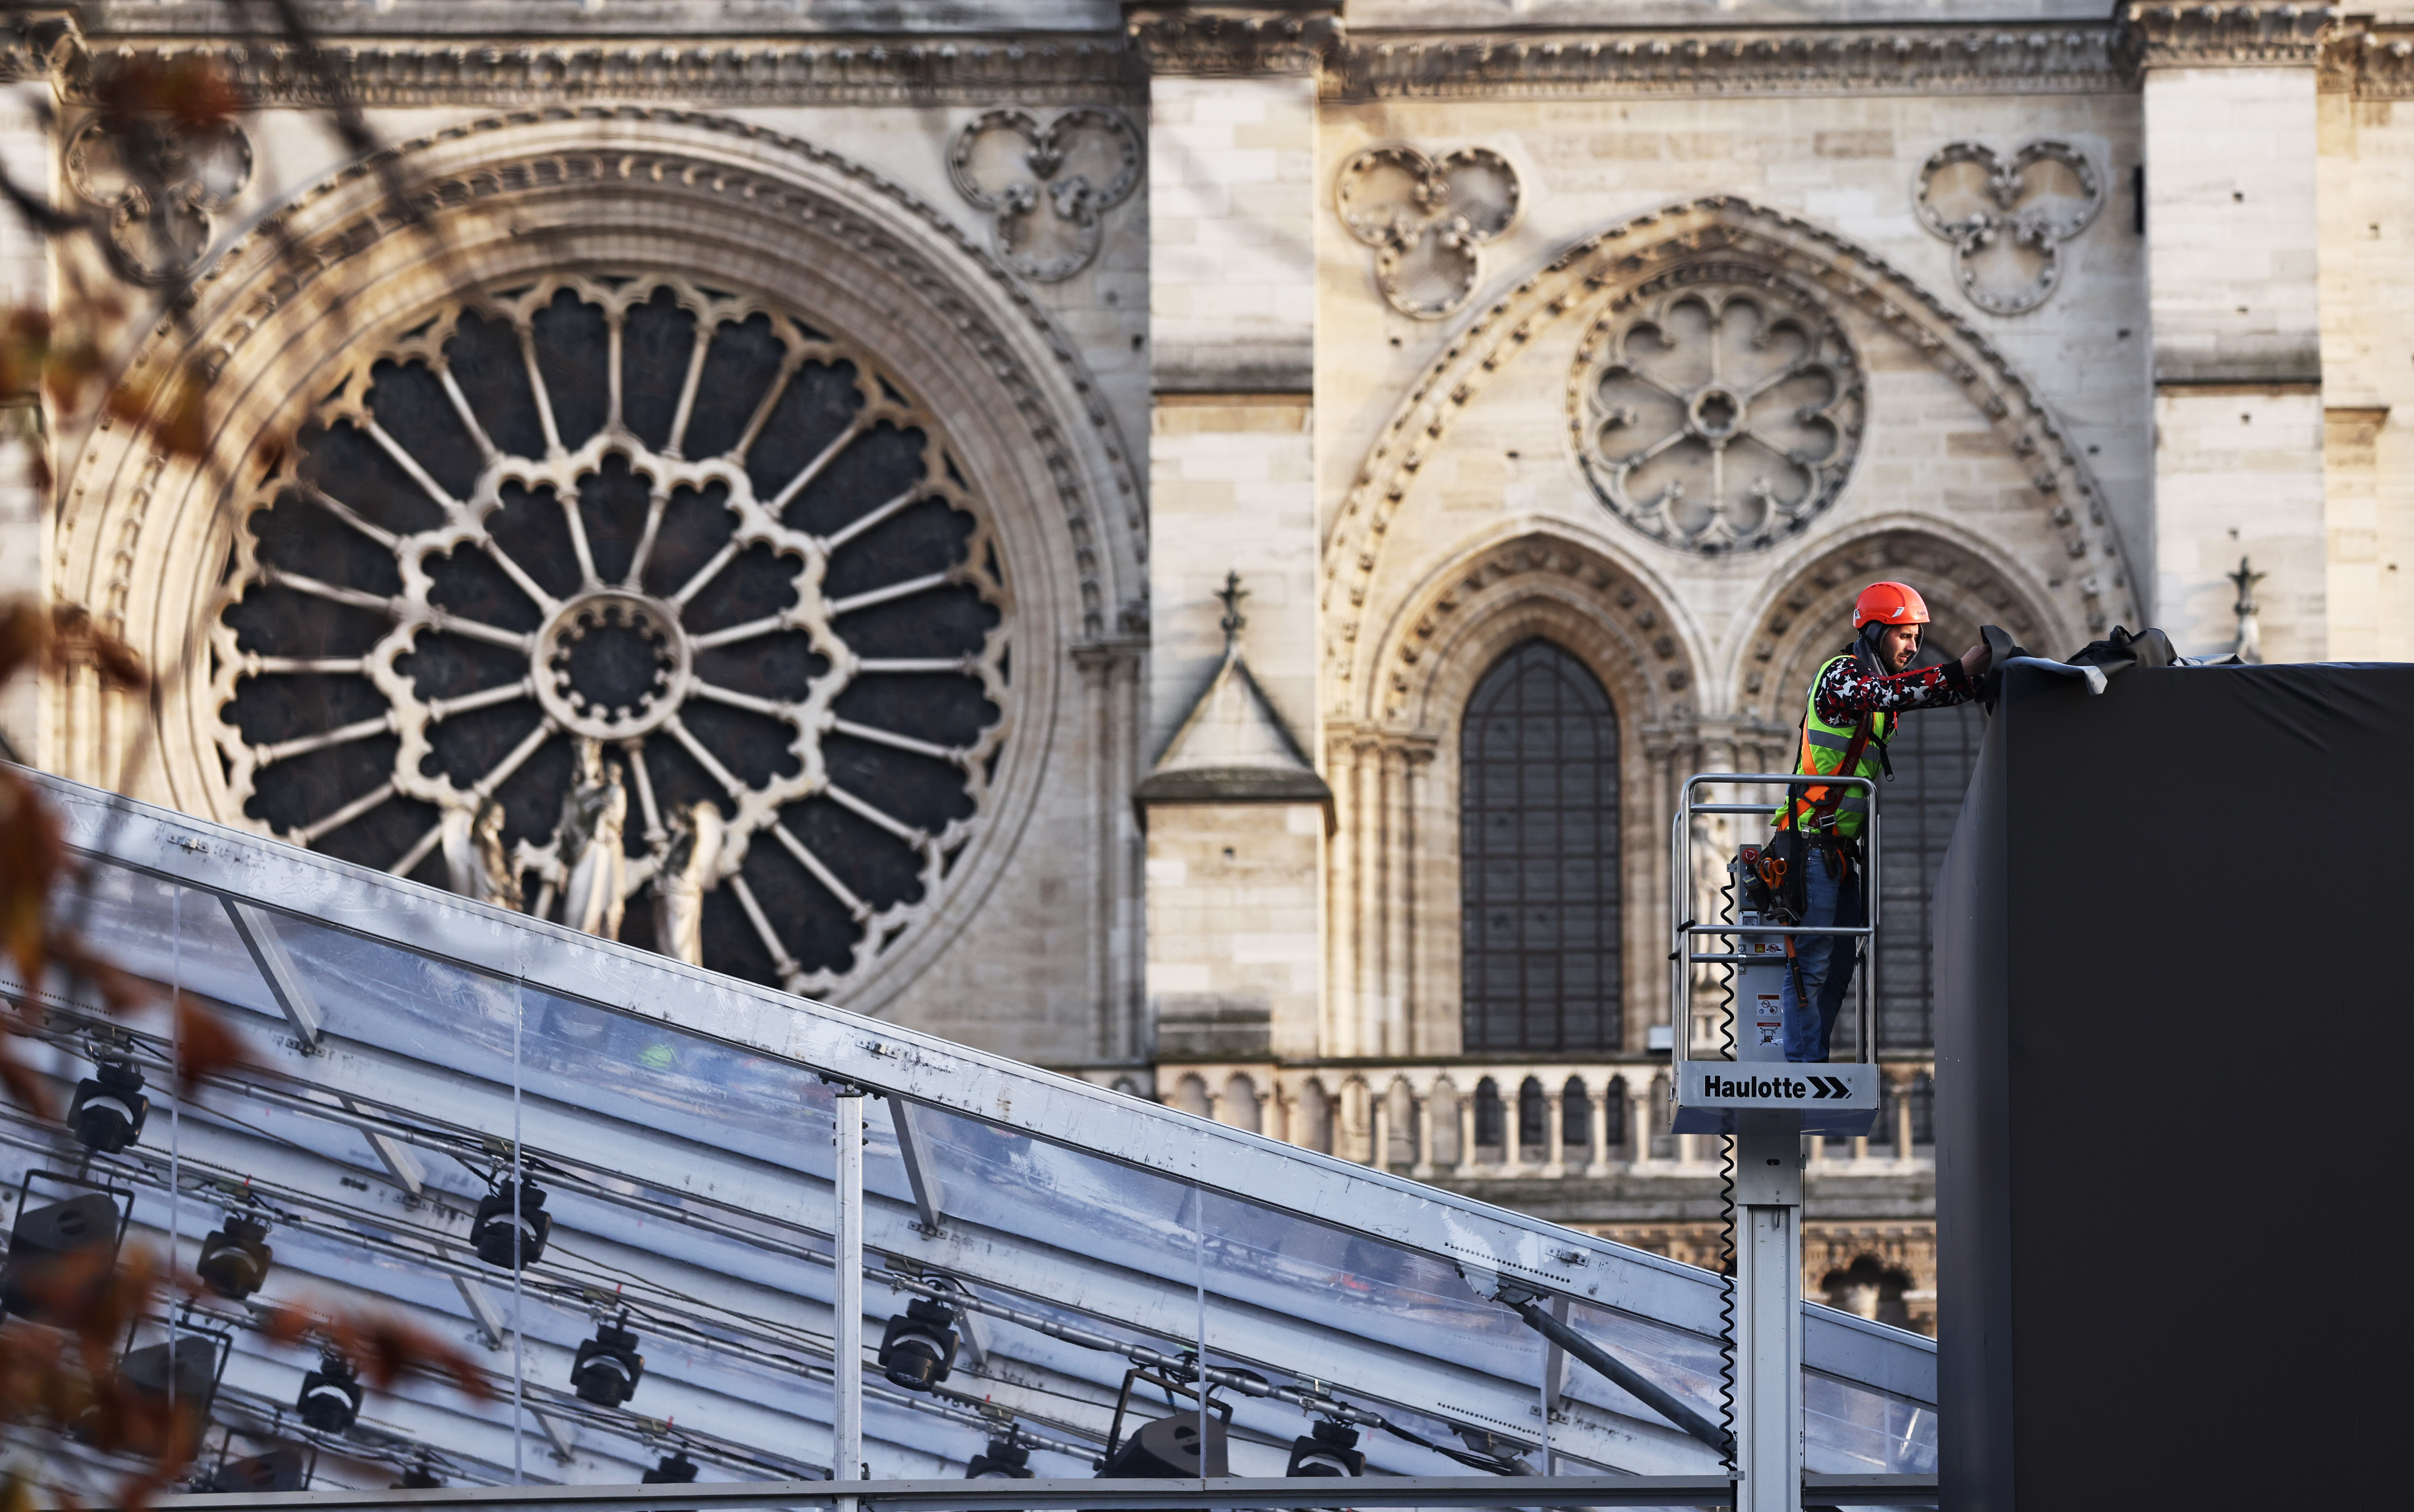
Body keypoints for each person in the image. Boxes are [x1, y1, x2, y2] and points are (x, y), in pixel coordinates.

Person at [1772, 581, 1992, 1062]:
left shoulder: (1879, 693)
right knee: (1809, 964)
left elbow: (1920, 696)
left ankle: (1813, 1061)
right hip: (1808, 847)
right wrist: (1958, 669)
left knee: (1837, 967)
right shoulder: (1841, 678)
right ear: (1873, 632)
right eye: (1903, 636)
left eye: (1915, 638)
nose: (1912, 648)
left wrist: (1985, 682)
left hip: (1838, 857)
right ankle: (1800, 1070)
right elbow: (1893, 693)